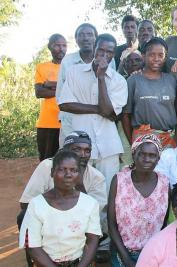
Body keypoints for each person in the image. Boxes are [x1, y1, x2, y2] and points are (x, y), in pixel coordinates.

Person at [18, 131, 106, 267]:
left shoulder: (96, 177)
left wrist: (79, 182)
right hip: (46, 225)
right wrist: (51, 214)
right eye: (77, 149)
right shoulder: (47, 167)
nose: (82, 154)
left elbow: (91, 214)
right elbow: (26, 202)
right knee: (25, 217)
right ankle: (36, 261)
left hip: (80, 228)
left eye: (87, 150)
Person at [58, 33, 127, 189]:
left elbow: (111, 113)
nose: (104, 55)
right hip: (80, 146)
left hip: (108, 147)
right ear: (94, 48)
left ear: (113, 54)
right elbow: (65, 104)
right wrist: (98, 109)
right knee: (78, 189)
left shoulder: (119, 81)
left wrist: (101, 78)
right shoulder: (74, 72)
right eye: (100, 50)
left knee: (107, 190)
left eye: (109, 52)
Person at [108, 134, 170, 266]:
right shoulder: (119, 180)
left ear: (158, 158)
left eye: (152, 155)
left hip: (154, 253)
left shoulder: (164, 183)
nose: (147, 159)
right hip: (122, 251)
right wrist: (126, 258)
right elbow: (111, 223)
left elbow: (164, 223)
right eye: (142, 154)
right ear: (133, 155)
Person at [56, 23, 116, 145]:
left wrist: (104, 111)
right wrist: (99, 109)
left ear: (96, 39)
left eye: (89, 34)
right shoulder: (68, 61)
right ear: (76, 40)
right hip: (71, 120)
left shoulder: (110, 60)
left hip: (101, 121)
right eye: (81, 35)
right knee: (71, 155)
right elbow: (61, 97)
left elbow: (110, 87)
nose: (85, 38)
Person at [122, 37, 177, 148]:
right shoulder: (133, 80)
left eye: (160, 55)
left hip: (169, 140)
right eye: (152, 54)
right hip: (142, 140)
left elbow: (176, 109)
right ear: (143, 56)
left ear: (165, 57)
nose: (156, 59)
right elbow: (125, 115)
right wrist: (132, 142)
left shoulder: (171, 80)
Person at [34, 33, 67, 161]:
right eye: (57, 45)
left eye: (64, 45)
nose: (61, 48)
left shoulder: (71, 66)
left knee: (66, 161)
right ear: (50, 47)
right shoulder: (41, 67)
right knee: (46, 162)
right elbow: (39, 93)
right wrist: (63, 88)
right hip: (47, 123)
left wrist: (50, 84)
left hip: (67, 122)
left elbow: (74, 90)